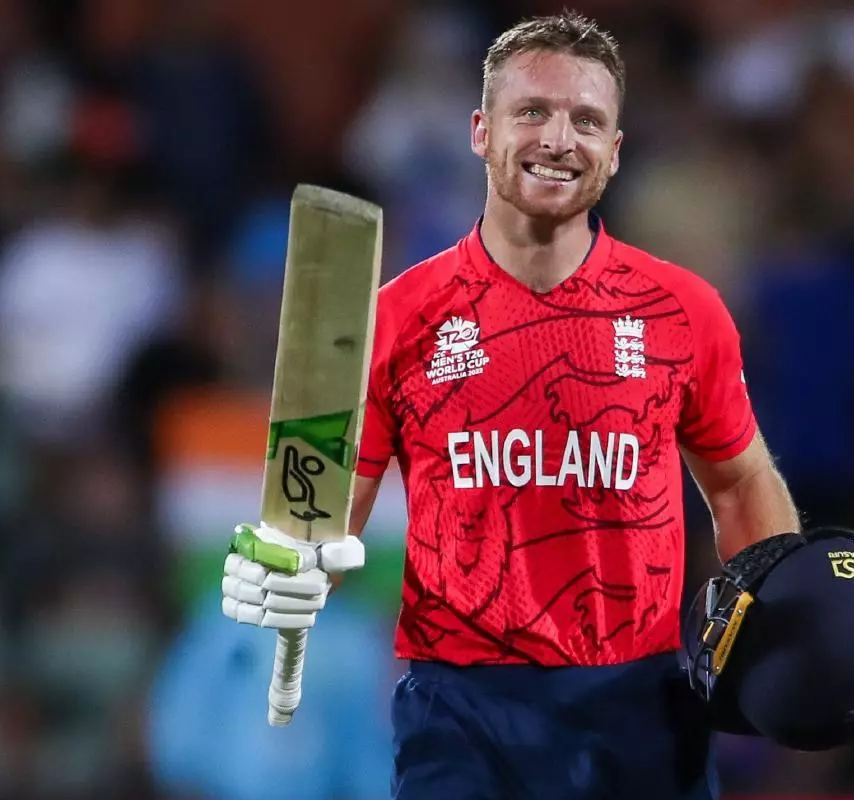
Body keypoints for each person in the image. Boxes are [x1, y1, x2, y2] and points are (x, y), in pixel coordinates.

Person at [223, 11, 802, 799]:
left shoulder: (683, 311)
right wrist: (289, 574)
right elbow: (322, 523)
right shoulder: (399, 319)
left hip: (642, 709)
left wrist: (771, 610)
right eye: (532, 112)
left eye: (587, 120)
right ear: (479, 132)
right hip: (461, 715)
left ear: (616, 151)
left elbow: (738, 483)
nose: (559, 139)